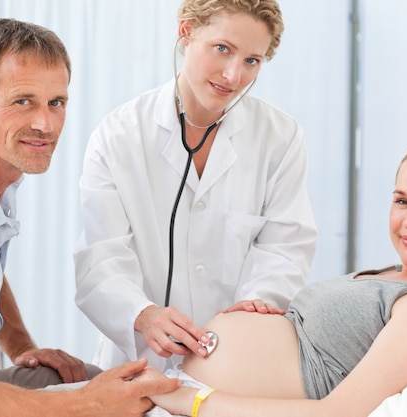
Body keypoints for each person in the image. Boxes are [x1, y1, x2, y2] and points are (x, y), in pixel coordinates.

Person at [0, 18, 179, 417]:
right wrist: (83, 404)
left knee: (84, 381)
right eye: (23, 101)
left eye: (56, 102)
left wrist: (22, 349)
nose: (45, 124)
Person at [138, 135, 407, 417]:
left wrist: (191, 401)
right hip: (183, 394)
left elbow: (339, 412)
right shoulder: (392, 274)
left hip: (199, 405)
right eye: (402, 201)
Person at [74, 0, 317, 372]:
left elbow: (286, 249)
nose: (233, 76)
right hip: (139, 365)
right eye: (223, 49)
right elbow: (100, 260)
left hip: (235, 363)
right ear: (186, 32)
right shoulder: (119, 135)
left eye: (252, 60)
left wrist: (253, 308)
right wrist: (143, 314)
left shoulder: (279, 138)